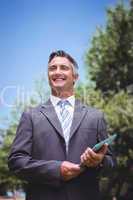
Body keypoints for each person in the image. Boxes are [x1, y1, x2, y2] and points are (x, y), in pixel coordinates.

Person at [8, 50, 115, 200]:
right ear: (48, 76)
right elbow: (16, 161)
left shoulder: (96, 116)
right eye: (53, 68)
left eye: (64, 67)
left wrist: (99, 161)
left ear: (75, 77)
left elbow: (111, 161)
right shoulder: (30, 115)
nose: (57, 72)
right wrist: (56, 169)